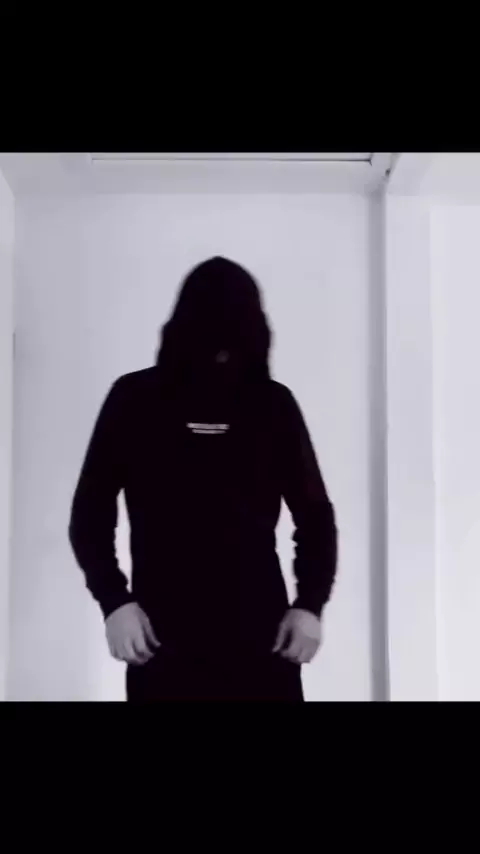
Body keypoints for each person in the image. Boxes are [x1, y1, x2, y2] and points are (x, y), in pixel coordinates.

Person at [69, 256, 337, 701]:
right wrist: (114, 602)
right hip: (159, 635)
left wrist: (310, 604)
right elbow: (90, 511)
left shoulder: (272, 406)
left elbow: (315, 516)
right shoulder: (135, 399)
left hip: (262, 635)